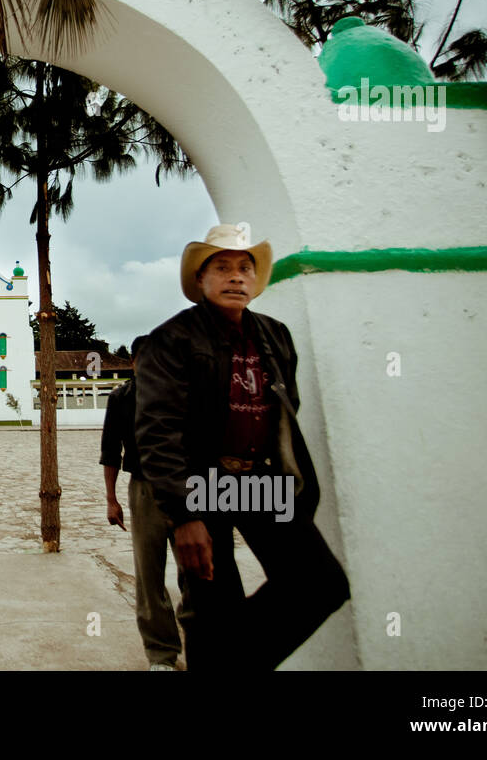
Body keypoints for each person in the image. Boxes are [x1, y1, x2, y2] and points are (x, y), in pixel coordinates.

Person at [134, 224, 350, 671]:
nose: (236, 277)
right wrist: (184, 514)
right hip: (202, 484)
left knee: (320, 584)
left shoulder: (275, 336)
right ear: (200, 279)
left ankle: (228, 663)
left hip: (260, 480)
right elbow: (157, 430)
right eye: (223, 267)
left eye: (245, 268)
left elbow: (285, 409)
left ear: (255, 279)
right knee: (213, 604)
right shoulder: (171, 340)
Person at [101, 335, 182, 671]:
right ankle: (161, 653)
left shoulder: (181, 393)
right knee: (149, 575)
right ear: (132, 362)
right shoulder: (121, 399)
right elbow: (110, 452)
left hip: (187, 488)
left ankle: (204, 640)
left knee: (197, 571)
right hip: (144, 489)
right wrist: (111, 499)